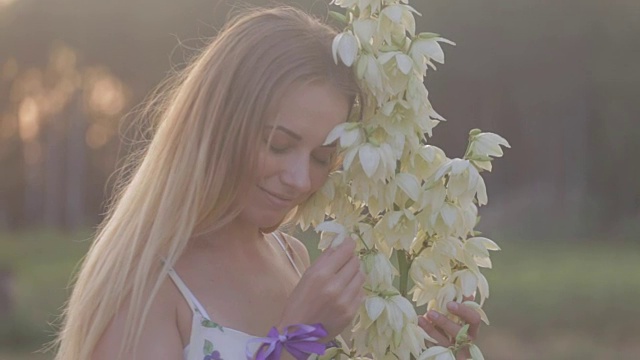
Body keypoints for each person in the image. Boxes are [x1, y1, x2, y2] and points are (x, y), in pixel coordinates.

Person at [53, 6, 481, 360]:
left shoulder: (290, 256)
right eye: (279, 144)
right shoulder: (143, 288)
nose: (300, 180)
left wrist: (423, 351)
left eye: (321, 158)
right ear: (217, 124)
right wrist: (293, 339)